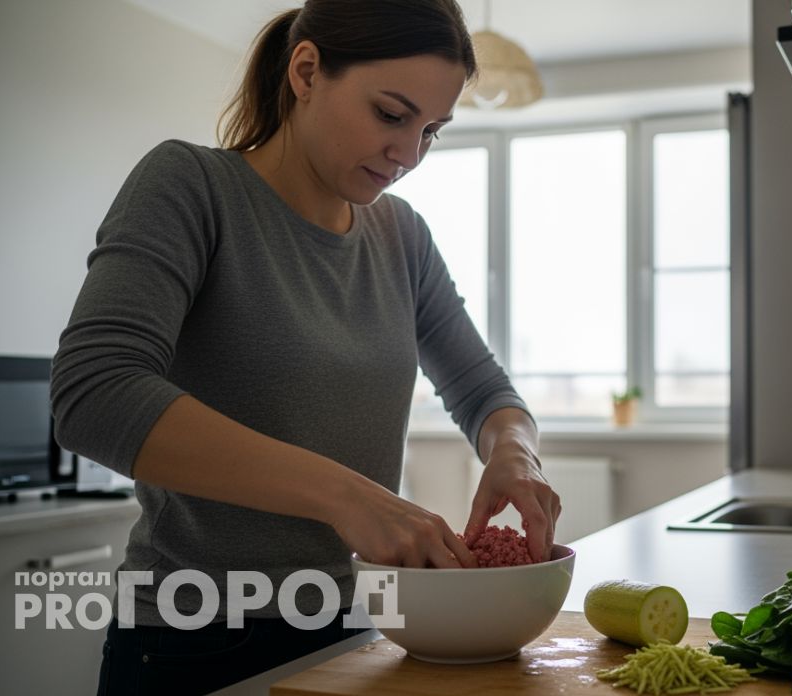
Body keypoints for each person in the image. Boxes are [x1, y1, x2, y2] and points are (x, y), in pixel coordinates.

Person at [49, 1, 560, 692]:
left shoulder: (401, 237)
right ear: (307, 70)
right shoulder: (192, 187)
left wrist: (515, 451)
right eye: (391, 114)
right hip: (194, 641)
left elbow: (482, 389)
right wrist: (350, 499)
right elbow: (95, 393)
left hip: (360, 628)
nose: (409, 154)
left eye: (431, 131)